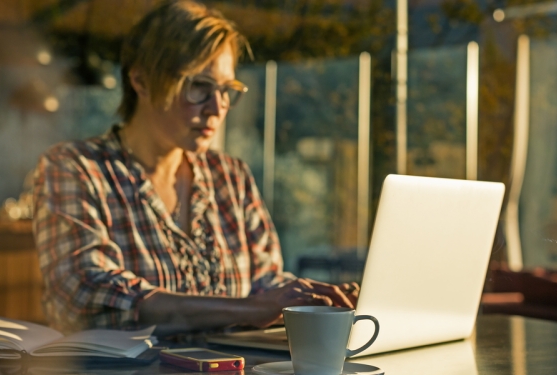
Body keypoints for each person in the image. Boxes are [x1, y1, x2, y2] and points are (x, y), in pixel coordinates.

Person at [32, 0, 357, 335]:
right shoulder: (76, 169)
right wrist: (252, 308)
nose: (218, 107)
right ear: (141, 82)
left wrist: (314, 301)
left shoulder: (231, 177)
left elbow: (267, 285)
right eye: (199, 86)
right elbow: (88, 291)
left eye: (227, 90)